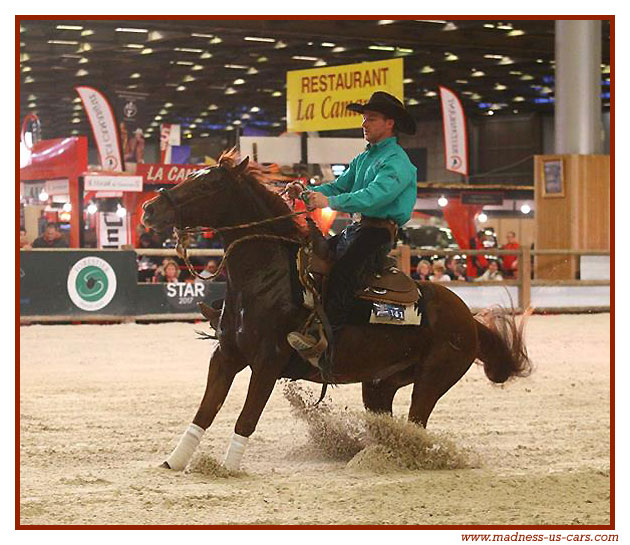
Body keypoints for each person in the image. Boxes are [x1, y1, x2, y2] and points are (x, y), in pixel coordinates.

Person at [284, 91, 417, 363]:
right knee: (309, 257)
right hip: (358, 230)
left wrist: (328, 200)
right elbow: (338, 185)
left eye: (371, 118)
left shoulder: (398, 162)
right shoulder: (364, 158)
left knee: (344, 273)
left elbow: (374, 195)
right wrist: (307, 192)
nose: (364, 123)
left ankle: (323, 340)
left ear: (389, 123)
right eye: (364, 118)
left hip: (377, 233)